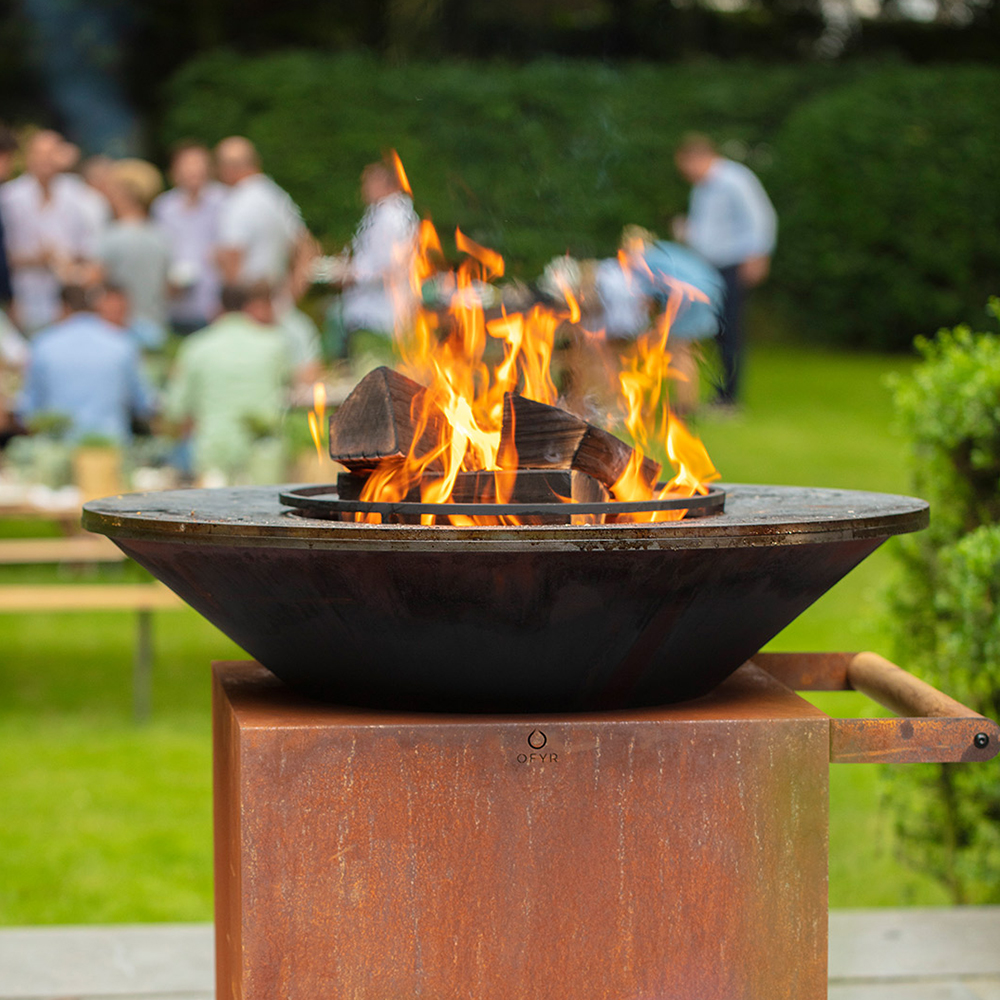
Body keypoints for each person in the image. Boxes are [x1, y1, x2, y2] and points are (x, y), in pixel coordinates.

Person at [674, 133, 776, 409]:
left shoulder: (734, 179)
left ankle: (729, 399)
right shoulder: (702, 188)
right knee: (716, 331)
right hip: (708, 268)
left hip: (733, 265)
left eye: (685, 166)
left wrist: (758, 255)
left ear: (698, 157)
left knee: (730, 330)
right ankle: (719, 394)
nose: (685, 174)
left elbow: (761, 217)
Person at [164, 283, 291, 485]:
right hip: (263, 454)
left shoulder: (196, 347)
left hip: (214, 450)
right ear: (248, 306)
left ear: (217, 308)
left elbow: (176, 409)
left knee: (212, 514)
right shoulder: (274, 344)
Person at [17, 284, 154, 443]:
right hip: (111, 449)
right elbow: (143, 404)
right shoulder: (122, 343)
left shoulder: (42, 344)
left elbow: (29, 410)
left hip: (57, 448)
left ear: (63, 308)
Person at [0, 130, 100, 332]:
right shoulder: (9, 197)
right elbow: (4, 255)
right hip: (23, 296)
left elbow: (90, 249)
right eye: (39, 153)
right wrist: (37, 259)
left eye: (51, 153)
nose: (44, 160)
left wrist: (71, 265)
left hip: (68, 298)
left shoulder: (79, 196)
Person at [214, 136, 315, 304]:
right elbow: (307, 249)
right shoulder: (277, 196)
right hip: (275, 304)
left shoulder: (237, 203)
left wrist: (233, 309)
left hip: (248, 306)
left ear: (228, 169)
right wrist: (291, 295)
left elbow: (231, 257)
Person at [339, 159, 419, 367]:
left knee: (374, 381)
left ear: (385, 183)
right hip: (388, 315)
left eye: (368, 182)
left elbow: (389, 270)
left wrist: (349, 275)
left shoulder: (390, 218)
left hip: (377, 316)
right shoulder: (397, 214)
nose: (363, 188)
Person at [151, 142, 226, 334]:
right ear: (175, 171)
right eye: (186, 166)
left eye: (197, 165)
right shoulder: (164, 207)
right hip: (175, 303)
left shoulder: (224, 201)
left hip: (213, 303)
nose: (192, 171)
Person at [96, 159, 171, 350]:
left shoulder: (111, 237)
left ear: (124, 193)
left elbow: (95, 280)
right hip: (155, 326)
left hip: (119, 329)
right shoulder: (161, 236)